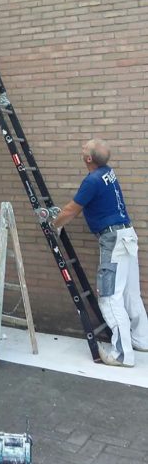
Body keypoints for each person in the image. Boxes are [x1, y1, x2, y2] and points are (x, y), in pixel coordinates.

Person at [52, 138, 148, 367]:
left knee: (109, 296)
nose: (82, 147)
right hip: (127, 235)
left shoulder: (92, 180)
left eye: (85, 147)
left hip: (113, 239)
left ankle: (122, 354)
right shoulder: (107, 172)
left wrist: (54, 222)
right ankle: (141, 339)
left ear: (88, 159)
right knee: (130, 293)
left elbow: (71, 210)